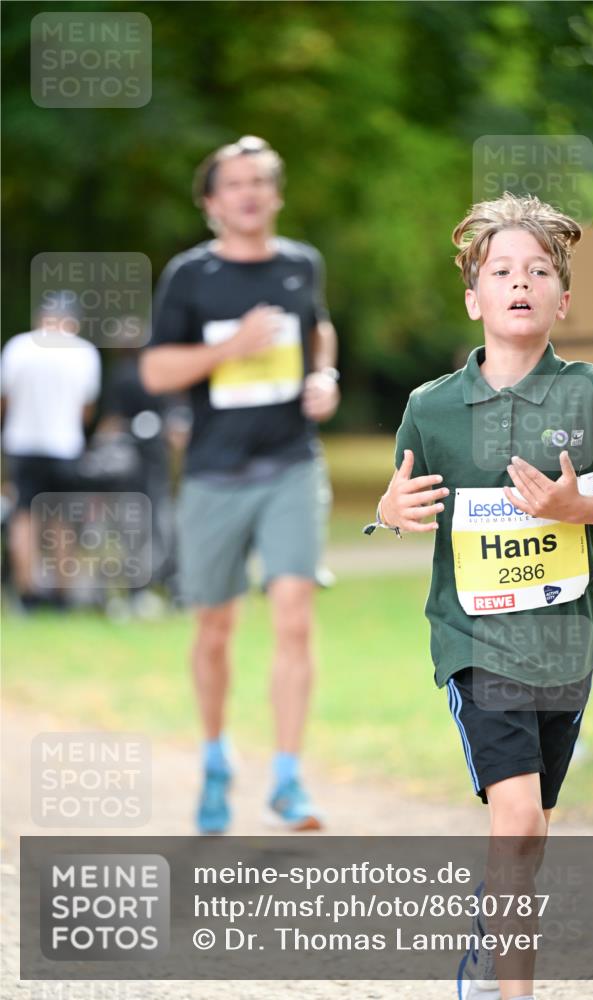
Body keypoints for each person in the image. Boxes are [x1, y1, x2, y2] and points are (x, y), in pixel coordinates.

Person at [372, 193, 593, 1000]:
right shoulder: (429, 408)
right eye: (500, 270)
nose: (519, 282)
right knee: (520, 821)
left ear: (561, 300)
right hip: (476, 643)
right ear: (473, 297)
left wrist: (581, 507)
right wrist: (387, 514)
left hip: (566, 643)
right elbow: (398, 503)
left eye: (538, 271)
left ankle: (483, 950)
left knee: (527, 837)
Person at [140, 136, 340, 834]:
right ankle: (217, 759)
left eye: (261, 181)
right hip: (212, 476)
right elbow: (157, 373)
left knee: (292, 613)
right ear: (210, 202)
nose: (249, 193)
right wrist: (231, 347)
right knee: (214, 628)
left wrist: (324, 377)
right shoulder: (189, 277)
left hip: (291, 463)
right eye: (234, 184)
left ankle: (287, 778)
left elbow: (320, 333)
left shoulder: (299, 265)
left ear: (276, 194)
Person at [1, 293, 101, 610]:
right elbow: (87, 409)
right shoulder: (83, 352)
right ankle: (61, 594)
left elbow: (5, 399)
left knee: (24, 517)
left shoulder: (19, 347)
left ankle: (27, 595)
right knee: (61, 521)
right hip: (65, 445)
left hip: (22, 443)